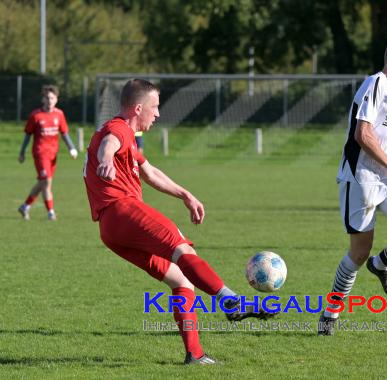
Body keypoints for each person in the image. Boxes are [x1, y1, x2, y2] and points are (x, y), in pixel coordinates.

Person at [83, 79, 276, 365]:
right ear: (138, 108)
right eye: (155, 107)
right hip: (123, 210)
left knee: (181, 279)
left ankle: (195, 354)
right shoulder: (119, 128)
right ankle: (230, 300)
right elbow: (109, 144)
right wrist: (106, 159)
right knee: (183, 249)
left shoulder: (128, 137)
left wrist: (185, 194)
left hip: (110, 230)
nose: (158, 114)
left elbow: (150, 173)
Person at [318, 37, 387, 336]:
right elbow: (362, 134)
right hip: (361, 178)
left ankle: (380, 265)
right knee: (357, 253)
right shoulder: (375, 83)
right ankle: (330, 312)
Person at [18, 85, 78, 221]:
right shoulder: (36, 116)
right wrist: (22, 152)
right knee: (46, 182)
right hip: (40, 154)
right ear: (43, 99)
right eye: (47, 98)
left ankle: (25, 206)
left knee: (43, 183)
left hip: (53, 155)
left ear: (56, 99)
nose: (50, 100)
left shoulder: (59, 114)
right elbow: (27, 135)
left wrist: (72, 148)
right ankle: (51, 212)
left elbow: (64, 133)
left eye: (52, 98)